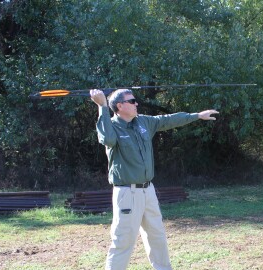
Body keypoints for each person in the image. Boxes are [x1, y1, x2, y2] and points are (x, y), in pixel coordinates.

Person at [90, 88, 219, 270]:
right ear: (120, 106)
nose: (137, 104)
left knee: (157, 236)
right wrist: (102, 106)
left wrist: (197, 115)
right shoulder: (111, 126)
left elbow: (168, 120)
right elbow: (107, 139)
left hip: (148, 190)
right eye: (132, 101)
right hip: (127, 192)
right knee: (123, 241)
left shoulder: (143, 122)